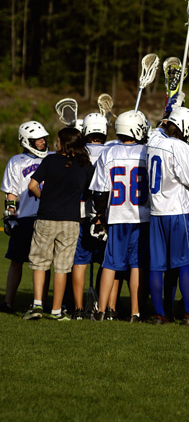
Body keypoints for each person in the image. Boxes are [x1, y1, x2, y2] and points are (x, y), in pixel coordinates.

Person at [146, 107, 189, 325]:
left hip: (156, 212)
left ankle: (158, 313)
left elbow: (157, 130)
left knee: (157, 265)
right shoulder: (179, 146)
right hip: (177, 212)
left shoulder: (153, 141)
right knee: (185, 263)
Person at [23, 127, 94, 321]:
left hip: (46, 217)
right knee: (62, 267)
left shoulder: (50, 160)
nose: (55, 142)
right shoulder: (85, 164)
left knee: (40, 263)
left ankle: (37, 304)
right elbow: (90, 192)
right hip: (70, 220)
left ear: (64, 142)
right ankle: (56, 310)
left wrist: (44, 197)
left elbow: (32, 185)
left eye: (58, 139)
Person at [90, 111, 150, 323]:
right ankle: (135, 311)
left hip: (116, 214)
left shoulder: (109, 152)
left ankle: (102, 310)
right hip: (141, 215)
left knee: (110, 263)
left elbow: (100, 191)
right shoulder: (146, 151)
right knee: (137, 265)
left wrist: (100, 215)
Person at [71, 112, 119, 320]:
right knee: (108, 263)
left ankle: (79, 308)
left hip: (81, 214)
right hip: (108, 216)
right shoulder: (112, 151)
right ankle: (109, 308)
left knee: (80, 262)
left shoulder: (76, 154)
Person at [0, 121, 51, 313]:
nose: (41, 142)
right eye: (36, 139)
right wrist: (10, 215)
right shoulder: (16, 161)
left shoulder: (53, 158)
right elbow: (11, 193)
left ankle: (42, 303)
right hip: (25, 217)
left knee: (44, 264)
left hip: (47, 217)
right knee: (16, 260)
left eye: (42, 138)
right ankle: (8, 302)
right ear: (25, 140)